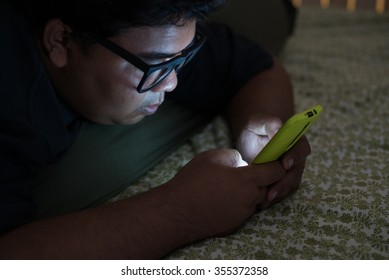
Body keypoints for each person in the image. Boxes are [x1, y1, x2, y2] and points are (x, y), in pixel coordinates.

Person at [0, 0, 310, 259]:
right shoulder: (14, 95)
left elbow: (256, 67)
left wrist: (263, 128)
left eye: (181, 59)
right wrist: (180, 211)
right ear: (61, 41)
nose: (171, 82)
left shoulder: (155, 31)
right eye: (156, 65)